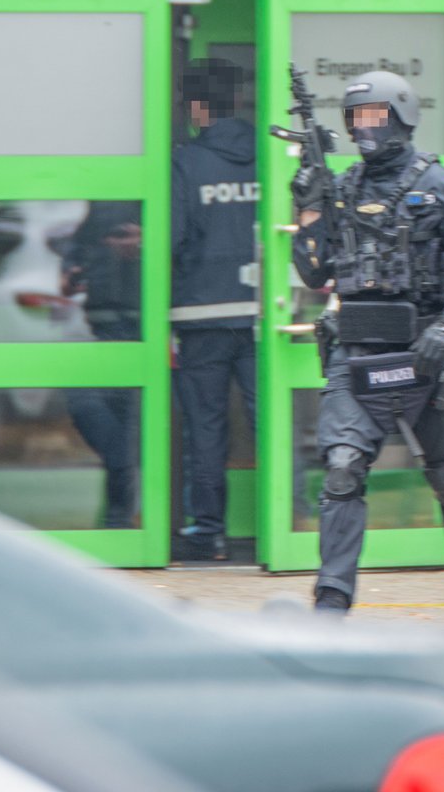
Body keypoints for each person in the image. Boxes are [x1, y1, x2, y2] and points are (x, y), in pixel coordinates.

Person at [291, 70, 444, 636]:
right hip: (356, 354)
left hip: (422, 358)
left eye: (375, 116)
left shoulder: (442, 187)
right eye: (356, 118)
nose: (364, 128)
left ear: (402, 116)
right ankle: (331, 610)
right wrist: (309, 205)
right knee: (341, 471)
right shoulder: (343, 188)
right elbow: (313, 269)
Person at [169, 59, 260, 561]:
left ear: (199, 109)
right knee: (270, 418)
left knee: (206, 427)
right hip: (262, 312)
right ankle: (287, 522)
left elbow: (174, 236)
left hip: (201, 315)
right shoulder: (268, 155)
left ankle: (209, 532)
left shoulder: (186, 163)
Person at [64, 202, 145, 529]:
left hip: (144, 336)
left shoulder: (152, 202)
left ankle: (119, 518)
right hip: (101, 335)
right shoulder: (97, 214)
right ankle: (119, 514)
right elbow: (67, 277)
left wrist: (143, 245)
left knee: (130, 435)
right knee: (89, 410)